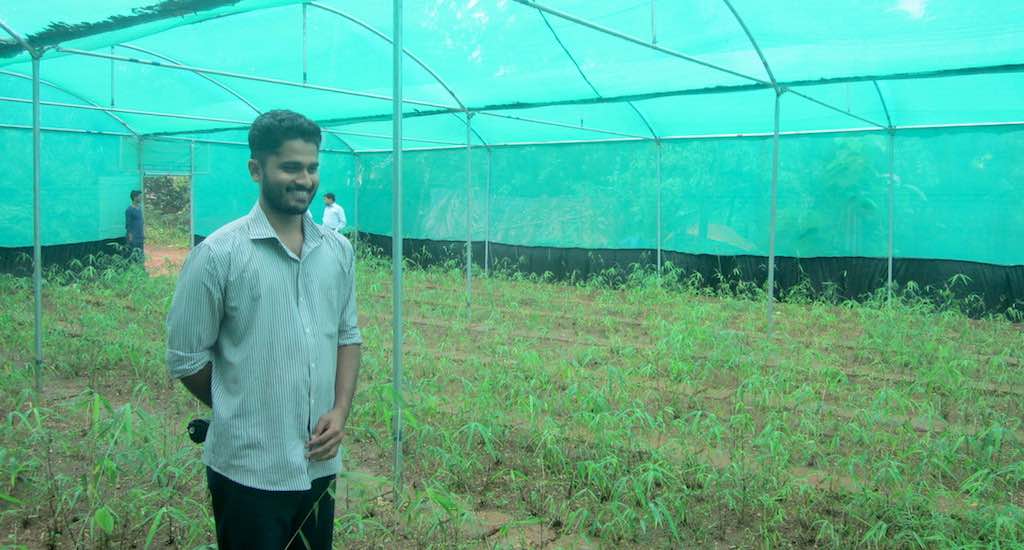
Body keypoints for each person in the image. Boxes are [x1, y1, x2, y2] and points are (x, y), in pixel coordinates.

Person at [165, 110, 362, 550]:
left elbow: (348, 337)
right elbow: (185, 358)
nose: (304, 179)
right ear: (256, 169)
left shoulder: (338, 252)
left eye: (311, 167)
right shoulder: (219, 254)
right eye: (290, 167)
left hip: (318, 465)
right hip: (247, 471)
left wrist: (340, 411)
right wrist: (245, 407)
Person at [125, 190, 144, 262]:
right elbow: (128, 224)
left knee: (140, 255)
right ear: (135, 197)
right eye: (139, 197)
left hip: (140, 236)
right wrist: (130, 236)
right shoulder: (129, 210)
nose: (141, 198)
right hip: (133, 237)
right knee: (133, 255)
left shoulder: (140, 208)